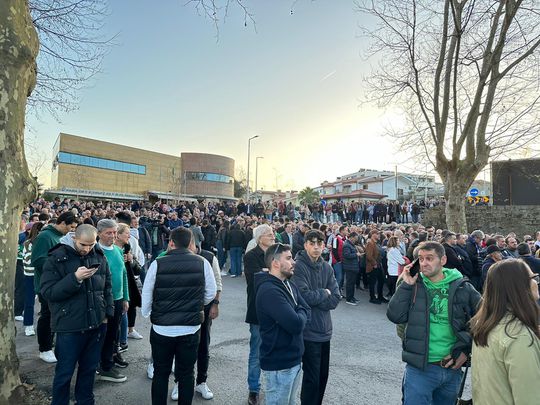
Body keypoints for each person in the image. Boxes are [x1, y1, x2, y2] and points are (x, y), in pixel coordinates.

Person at [387, 241, 481, 405]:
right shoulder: (412, 284)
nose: (424, 263)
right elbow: (395, 316)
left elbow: (483, 319)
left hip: (452, 367)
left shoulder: (462, 286)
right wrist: (406, 285)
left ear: (443, 260)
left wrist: (466, 349)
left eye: (429, 258)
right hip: (419, 368)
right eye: (421, 259)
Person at [141, 227, 216, 405]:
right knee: (187, 373)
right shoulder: (202, 262)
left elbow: (147, 292)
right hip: (190, 328)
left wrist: (148, 313)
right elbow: (211, 292)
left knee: (161, 372)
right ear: (191, 243)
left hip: (162, 328)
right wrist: (197, 306)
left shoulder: (158, 263)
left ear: (171, 242)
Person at [40, 224, 113, 405]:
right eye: (83, 245)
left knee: (88, 371)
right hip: (69, 328)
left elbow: (107, 286)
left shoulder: (99, 255)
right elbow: (48, 292)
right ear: (74, 238)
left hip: (96, 325)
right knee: (64, 373)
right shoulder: (56, 258)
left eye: (91, 245)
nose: (87, 249)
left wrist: (106, 314)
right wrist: (75, 278)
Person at [470, 259, 540, 404]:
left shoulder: (486, 324)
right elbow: (529, 398)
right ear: (518, 286)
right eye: (533, 278)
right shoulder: (518, 336)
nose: (536, 282)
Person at [255, 243, 310, 405]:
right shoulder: (269, 291)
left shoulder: (288, 284)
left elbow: (305, 308)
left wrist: (300, 311)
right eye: (288, 258)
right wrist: (300, 312)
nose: (294, 262)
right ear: (275, 263)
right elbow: (296, 324)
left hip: (293, 360)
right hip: (279, 365)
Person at [291, 229, 340, 405]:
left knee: (322, 377)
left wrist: (320, 296)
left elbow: (335, 298)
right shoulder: (298, 266)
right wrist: (324, 293)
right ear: (305, 245)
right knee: (311, 379)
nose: (316, 247)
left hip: (325, 330)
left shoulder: (327, 267)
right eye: (312, 243)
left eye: (319, 243)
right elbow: (304, 297)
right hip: (308, 331)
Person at [31, 211, 78, 363]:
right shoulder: (45, 236)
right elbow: (37, 260)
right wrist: (60, 266)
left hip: (59, 284)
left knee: (55, 316)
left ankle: (50, 344)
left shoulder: (61, 237)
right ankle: (44, 348)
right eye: (70, 226)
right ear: (62, 223)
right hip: (47, 285)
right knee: (47, 316)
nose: (71, 230)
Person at [243, 224, 275, 405]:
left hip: (278, 310)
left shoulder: (276, 253)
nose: (273, 236)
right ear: (259, 237)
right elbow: (256, 280)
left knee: (275, 351)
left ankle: (272, 387)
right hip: (258, 310)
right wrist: (272, 273)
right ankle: (254, 389)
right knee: (256, 353)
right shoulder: (251, 256)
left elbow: (287, 275)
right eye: (269, 234)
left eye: (272, 233)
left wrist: (267, 272)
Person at [96, 219, 130, 383]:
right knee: (100, 334)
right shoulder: (94, 251)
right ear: (99, 233)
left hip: (117, 300)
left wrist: (125, 297)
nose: (113, 236)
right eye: (109, 232)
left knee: (112, 334)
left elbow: (123, 274)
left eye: (115, 232)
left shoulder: (117, 250)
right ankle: (102, 366)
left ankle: (107, 364)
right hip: (100, 301)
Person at [22, 221, 44, 336]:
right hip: (30, 276)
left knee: (45, 302)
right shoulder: (27, 243)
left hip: (43, 275)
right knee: (29, 302)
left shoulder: (45, 243)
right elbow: (28, 260)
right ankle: (29, 326)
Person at [365, 230, 386, 304]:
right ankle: (372, 297)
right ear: (373, 234)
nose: (379, 235)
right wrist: (374, 264)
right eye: (377, 234)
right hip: (373, 266)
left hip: (379, 265)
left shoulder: (376, 243)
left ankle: (380, 296)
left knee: (381, 280)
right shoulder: (370, 243)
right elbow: (368, 255)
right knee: (372, 282)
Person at [342, 232, 361, 305]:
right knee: (350, 284)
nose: (356, 240)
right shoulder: (347, 245)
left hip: (353, 266)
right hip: (349, 267)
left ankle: (352, 297)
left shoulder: (350, 244)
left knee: (352, 283)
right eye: (355, 238)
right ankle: (349, 299)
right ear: (352, 237)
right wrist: (356, 254)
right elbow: (346, 255)